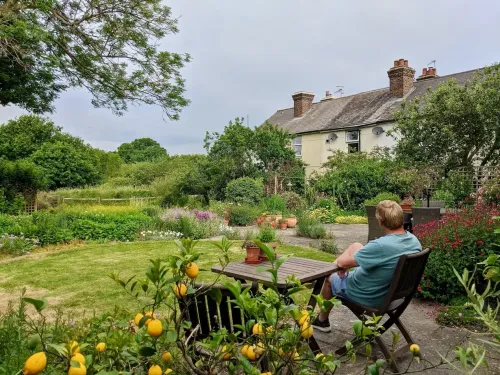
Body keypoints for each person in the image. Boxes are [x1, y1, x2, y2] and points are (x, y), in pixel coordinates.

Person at [312, 200, 422, 332]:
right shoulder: (413, 241)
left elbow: (341, 262)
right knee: (355, 246)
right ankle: (321, 317)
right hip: (391, 294)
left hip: (369, 295)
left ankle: (322, 320)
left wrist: (342, 265)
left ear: (380, 221)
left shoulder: (381, 246)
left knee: (330, 276)